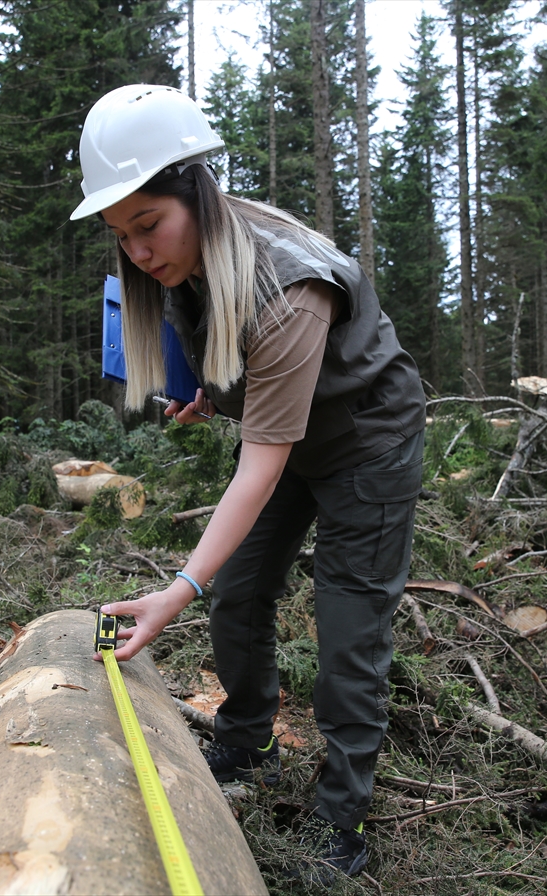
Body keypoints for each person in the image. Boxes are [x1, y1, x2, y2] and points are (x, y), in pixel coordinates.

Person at [71, 84, 425, 884]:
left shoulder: (288, 285)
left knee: (347, 627)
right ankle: (248, 742)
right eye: (120, 234)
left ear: (196, 191)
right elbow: (236, 360)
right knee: (240, 592)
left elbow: (261, 459)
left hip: (367, 442)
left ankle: (343, 822)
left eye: (148, 225)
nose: (138, 252)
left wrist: (178, 587)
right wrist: (209, 390)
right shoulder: (190, 254)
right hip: (295, 439)